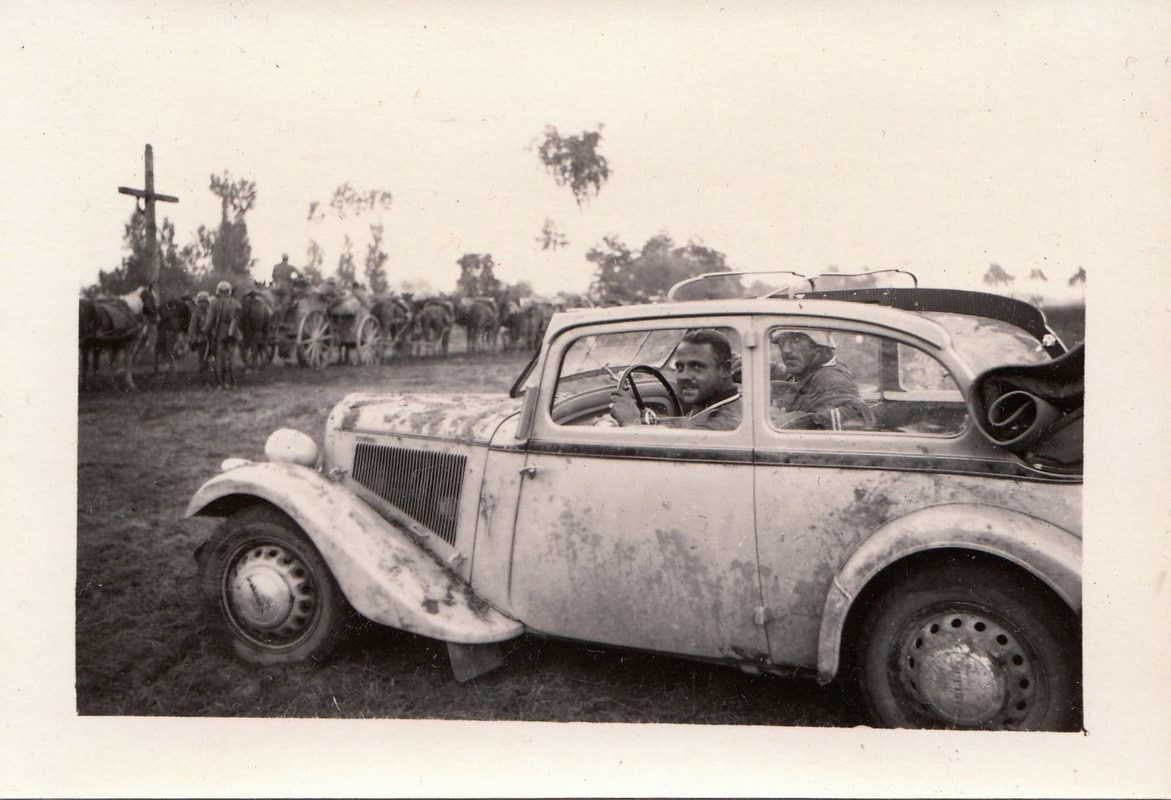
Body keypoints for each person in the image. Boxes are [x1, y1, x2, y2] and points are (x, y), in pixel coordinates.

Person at [608, 328, 742, 431]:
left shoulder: (728, 423)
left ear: (725, 370)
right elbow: (687, 423)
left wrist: (632, 423)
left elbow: (681, 449)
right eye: (679, 367)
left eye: (697, 367)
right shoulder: (713, 404)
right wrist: (649, 419)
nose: (684, 376)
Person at [769, 329, 874, 430]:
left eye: (795, 341)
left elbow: (859, 416)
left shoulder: (831, 378)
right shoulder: (802, 371)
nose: (785, 350)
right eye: (781, 342)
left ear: (818, 347)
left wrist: (786, 421)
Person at [202, 281, 242, 389]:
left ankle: (220, 383)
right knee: (231, 358)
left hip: (219, 332)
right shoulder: (236, 303)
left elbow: (209, 320)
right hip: (233, 333)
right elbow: (239, 319)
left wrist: (205, 331)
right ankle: (233, 383)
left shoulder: (214, 302)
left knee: (219, 358)